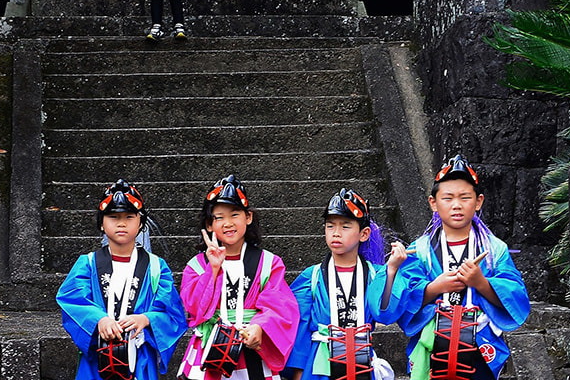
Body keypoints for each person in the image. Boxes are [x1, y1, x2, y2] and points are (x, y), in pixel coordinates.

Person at [396, 155, 530, 380]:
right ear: (433, 203)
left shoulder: (493, 248)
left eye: (465, 197)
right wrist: (434, 288)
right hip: (434, 346)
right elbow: (405, 295)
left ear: (478, 202)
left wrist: (482, 283)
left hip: (478, 345)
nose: (456, 205)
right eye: (447, 198)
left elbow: (515, 294)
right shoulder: (419, 250)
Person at [57, 179, 188, 380]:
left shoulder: (156, 267)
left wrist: (146, 319)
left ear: (141, 222)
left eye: (129, 217)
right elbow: (72, 299)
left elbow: (172, 312)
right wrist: (99, 320)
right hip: (98, 359)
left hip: (139, 357)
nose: (121, 223)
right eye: (113, 217)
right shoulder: (88, 263)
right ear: (101, 222)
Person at [177, 174, 300, 380]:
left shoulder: (269, 263)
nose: (228, 223)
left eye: (235, 215)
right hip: (210, 348)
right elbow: (194, 310)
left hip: (251, 346)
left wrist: (260, 327)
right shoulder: (197, 266)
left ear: (248, 217)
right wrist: (213, 269)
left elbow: (280, 306)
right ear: (209, 224)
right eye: (219, 217)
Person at [287, 188, 407, 380]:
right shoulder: (312, 276)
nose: (336, 233)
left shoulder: (377, 274)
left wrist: (391, 270)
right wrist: (298, 372)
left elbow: (384, 314)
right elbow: (299, 327)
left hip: (362, 361)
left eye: (345, 226)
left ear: (364, 233)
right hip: (319, 366)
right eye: (330, 226)